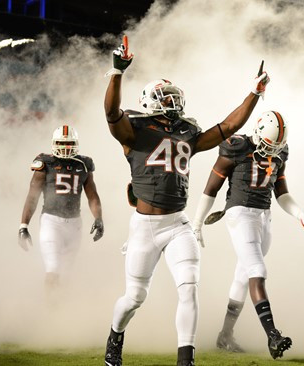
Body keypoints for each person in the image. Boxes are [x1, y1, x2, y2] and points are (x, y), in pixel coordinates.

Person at [102, 35, 270, 366]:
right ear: (149, 100)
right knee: (135, 297)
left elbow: (227, 126)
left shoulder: (187, 133)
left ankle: (186, 359)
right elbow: (111, 112)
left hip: (178, 223)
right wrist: (117, 72)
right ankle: (115, 337)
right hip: (145, 226)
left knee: (189, 288)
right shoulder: (134, 129)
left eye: (173, 97)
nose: (171, 102)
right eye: (164, 97)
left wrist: (254, 94)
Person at [191, 111, 304, 359]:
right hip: (240, 214)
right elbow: (211, 189)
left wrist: (299, 213)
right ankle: (273, 336)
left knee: (243, 275)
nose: (271, 152)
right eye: (268, 145)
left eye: (276, 148)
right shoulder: (236, 148)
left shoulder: (280, 153)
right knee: (257, 270)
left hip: (263, 216)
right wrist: (197, 223)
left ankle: (225, 336)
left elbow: (281, 192)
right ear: (257, 133)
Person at [18, 125, 104, 298]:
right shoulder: (45, 163)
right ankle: (50, 309)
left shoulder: (84, 164)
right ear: (54, 143)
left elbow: (92, 195)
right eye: (61, 143)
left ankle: (63, 307)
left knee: (67, 274)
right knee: (53, 268)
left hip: (75, 224)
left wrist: (99, 218)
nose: (65, 148)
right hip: (51, 221)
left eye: (69, 143)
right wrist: (23, 225)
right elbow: (32, 197)